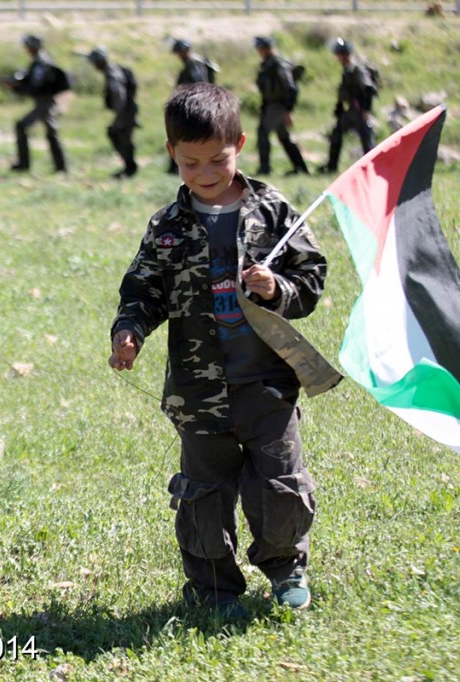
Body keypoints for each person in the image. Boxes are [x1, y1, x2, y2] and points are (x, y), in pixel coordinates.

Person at [109, 83, 326, 618]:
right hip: (197, 389)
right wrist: (129, 330)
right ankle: (213, 589)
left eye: (218, 160)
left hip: (268, 383)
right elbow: (143, 289)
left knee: (279, 486)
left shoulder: (273, 210)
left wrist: (278, 289)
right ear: (171, 155)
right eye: (191, 162)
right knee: (203, 495)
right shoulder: (167, 227)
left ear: (241, 145)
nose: (205, 172)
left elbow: (311, 277)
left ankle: (285, 570)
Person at [4, 34, 68, 173]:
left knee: (22, 126)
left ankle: (24, 164)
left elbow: (37, 86)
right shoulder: (39, 61)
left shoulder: (42, 63)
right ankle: (60, 167)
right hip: (43, 102)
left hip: (45, 103)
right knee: (51, 132)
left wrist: (16, 87)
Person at [253, 35, 309, 176]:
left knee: (263, 132)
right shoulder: (268, 64)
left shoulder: (279, 64)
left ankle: (265, 168)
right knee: (284, 137)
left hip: (278, 106)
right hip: (272, 105)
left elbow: (291, 88)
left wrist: (288, 110)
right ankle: (300, 168)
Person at [321, 38, 376, 174]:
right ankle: (331, 167)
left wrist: (365, 110)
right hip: (351, 110)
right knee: (336, 134)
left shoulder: (357, 70)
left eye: (339, 55)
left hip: (359, 110)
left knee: (366, 141)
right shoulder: (347, 70)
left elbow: (368, 89)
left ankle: (372, 169)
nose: (338, 58)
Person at [86, 47, 139, 178]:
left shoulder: (112, 74)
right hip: (126, 110)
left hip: (125, 111)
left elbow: (119, 95)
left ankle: (130, 169)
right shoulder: (111, 71)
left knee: (120, 136)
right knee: (119, 135)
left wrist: (120, 116)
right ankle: (129, 167)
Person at [167, 39, 217, 174]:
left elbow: (199, 86)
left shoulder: (194, 64)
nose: (178, 55)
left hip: (195, 106)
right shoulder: (193, 63)